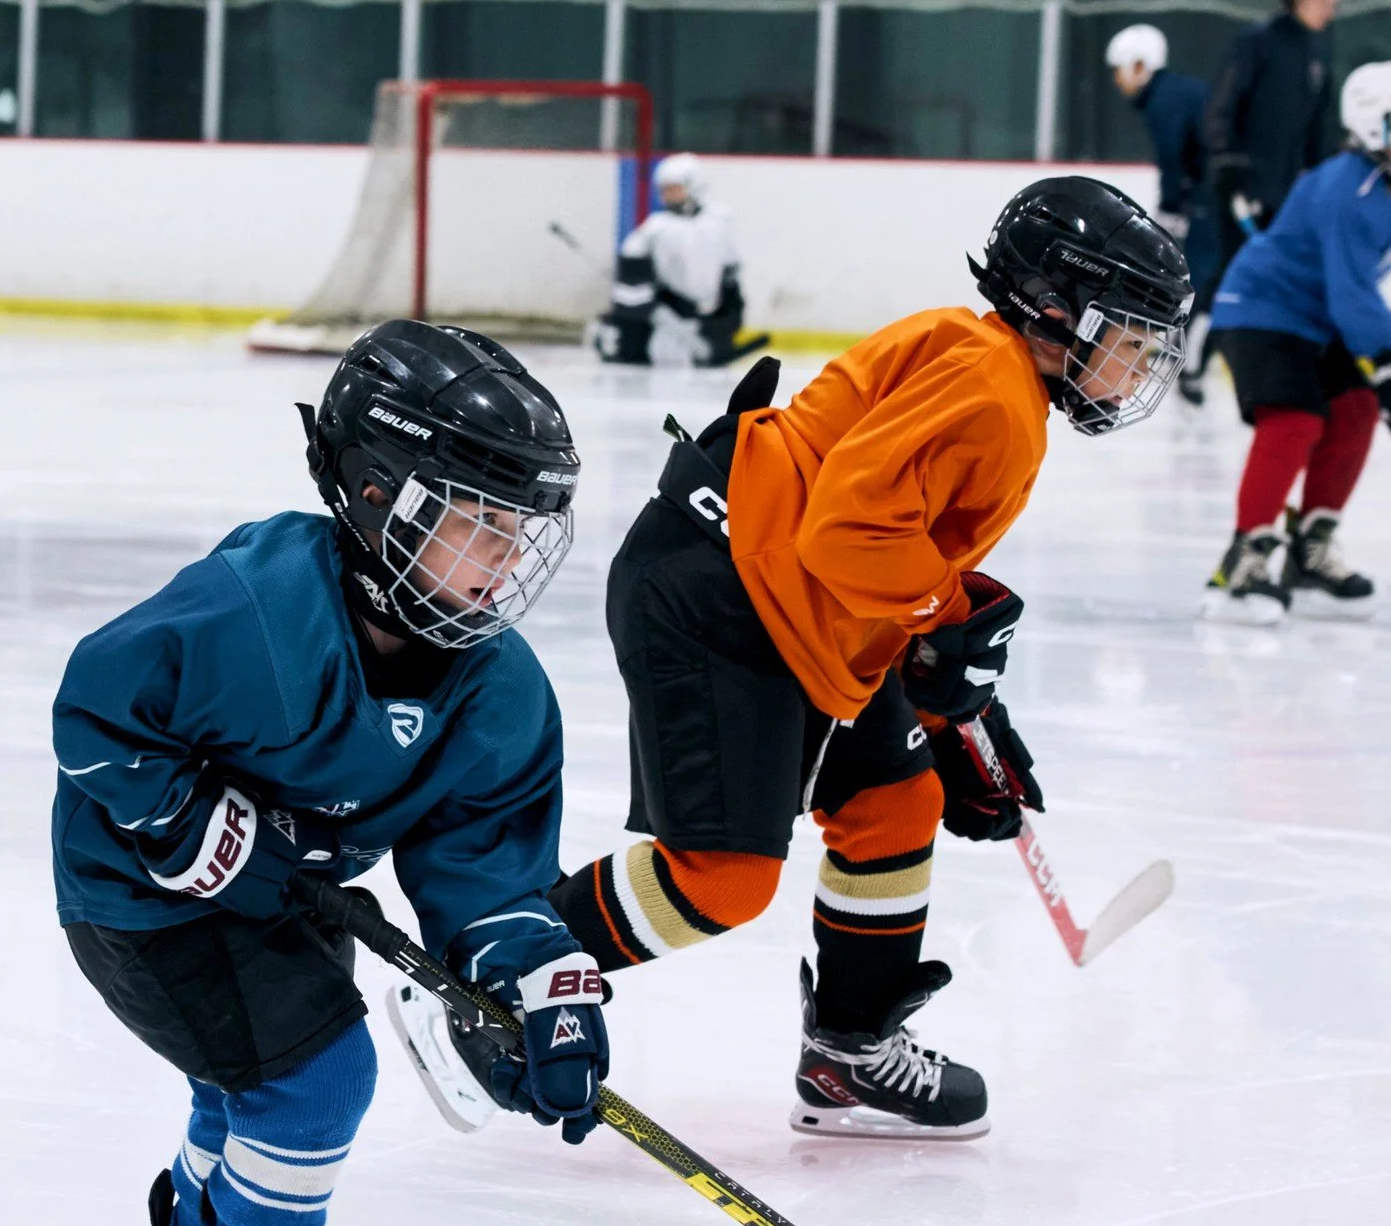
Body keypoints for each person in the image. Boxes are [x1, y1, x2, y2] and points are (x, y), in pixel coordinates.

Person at [417, 180, 1190, 1144]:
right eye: (1133, 336)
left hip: (789, 601)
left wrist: (953, 704)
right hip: (721, 597)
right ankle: (492, 981)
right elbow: (848, 534)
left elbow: (875, 541)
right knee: (721, 880)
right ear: (1055, 308)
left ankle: (848, 1052)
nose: (1143, 364)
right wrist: (948, 620)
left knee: (897, 800)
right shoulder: (991, 390)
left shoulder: (981, 358)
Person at [51, 321, 611, 1226]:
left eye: (520, 532)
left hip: (287, 892)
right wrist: (190, 821)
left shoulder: (499, 691)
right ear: (376, 493)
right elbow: (97, 712)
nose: (505, 561)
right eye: (479, 523)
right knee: (317, 1077)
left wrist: (535, 982)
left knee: (244, 1083)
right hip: (144, 898)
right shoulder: (252, 608)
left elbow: (485, 866)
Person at [1201, 63, 1390, 623]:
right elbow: (1352, 292)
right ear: (1370, 124)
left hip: (1317, 318)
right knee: (1295, 419)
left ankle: (1310, 552)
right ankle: (1242, 564)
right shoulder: (1348, 188)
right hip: (1261, 309)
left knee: (1356, 409)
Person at [1205, 0, 1348, 278]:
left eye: (1334, 1)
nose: (1330, 9)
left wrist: (1324, 176)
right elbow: (1221, 106)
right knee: (1233, 273)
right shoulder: (1258, 41)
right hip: (1244, 190)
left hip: (1287, 194)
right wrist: (1228, 165)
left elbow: (1317, 127)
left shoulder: (1318, 51)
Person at [1105, 23, 1218, 403]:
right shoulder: (1175, 92)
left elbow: (1174, 159)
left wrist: (1171, 208)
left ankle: (1191, 362)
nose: (1117, 80)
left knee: (1201, 278)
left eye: (1120, 69)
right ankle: (1188, 354)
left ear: (1140, 65)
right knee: (1201, 277)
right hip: (1210, 195)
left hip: (1211, 198)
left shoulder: (1164, 99)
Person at [594, 152, 768, 367]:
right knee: (657, 352)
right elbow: (632, 285)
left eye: (675, 188)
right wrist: (662, 317)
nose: (669, 195)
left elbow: (730, 275)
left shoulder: (719, 221)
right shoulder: (654, 228)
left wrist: (728, 318)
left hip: (706, 313)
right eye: (665, 189)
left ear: (694, 185)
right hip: (669, 312)